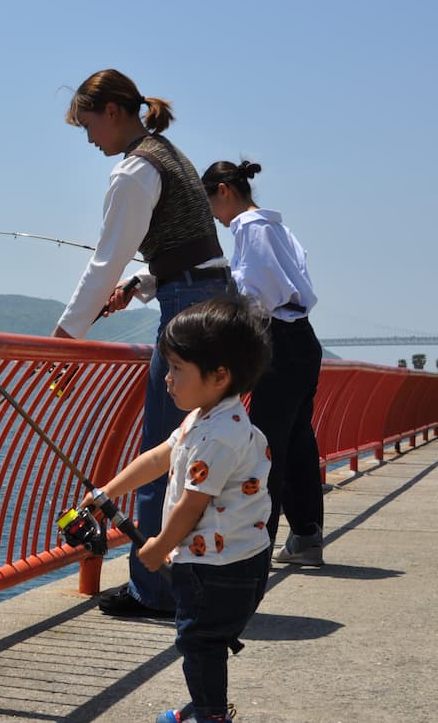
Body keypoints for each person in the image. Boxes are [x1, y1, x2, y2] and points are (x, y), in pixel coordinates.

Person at [55, 69, 233, 617]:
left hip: (187, 310)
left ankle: (151, 590)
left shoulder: (133, 171)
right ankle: (195, 575)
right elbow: (193, 249)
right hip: (212, 298)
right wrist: (144, 284)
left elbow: (104, 260)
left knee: (162, 448)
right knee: (196, 443)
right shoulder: (168, 154)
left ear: (112, 111)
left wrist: (65, 339)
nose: (90, 140)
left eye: (88, 125)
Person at [82, 296, 273, 723]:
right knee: (207, 638)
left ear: (220, 375)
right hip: (231, 559)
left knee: (197, 640)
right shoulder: (206, 418)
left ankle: (209, 715)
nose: (167, 380)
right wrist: (107, 492)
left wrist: (157, 546)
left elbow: (192, 504)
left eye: (177, 370)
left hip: (219, 566)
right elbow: (158, 458)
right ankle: (207, 706)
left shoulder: (218, 435)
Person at [202, 159, 324, 565]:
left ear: (223, 190)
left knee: (268, 445)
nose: (215, 218)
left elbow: (257, 295)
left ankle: (256, 547)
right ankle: (305, 537)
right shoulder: (278, 227)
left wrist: (223, 288)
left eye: (211, 205)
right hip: (303, 339)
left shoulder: (250, 230)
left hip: (278, 343)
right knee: (299, 441)